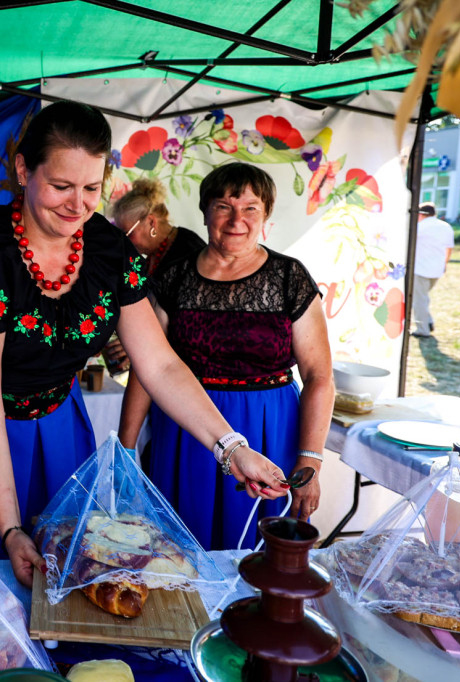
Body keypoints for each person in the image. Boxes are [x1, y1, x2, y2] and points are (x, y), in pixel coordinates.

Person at [0, 102, 289, 587]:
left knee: (67, 559)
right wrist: (11, 529)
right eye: (61, 186)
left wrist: (231, 447)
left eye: (90, 188)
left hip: (55, 416)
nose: (77, 205)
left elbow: (159, 364)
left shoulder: (106, 248)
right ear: (23, 170)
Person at [118, 162, 334, 551]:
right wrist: (126, 450)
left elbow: (319, 376)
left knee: (258, 552)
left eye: (250, 208)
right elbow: (147, 369)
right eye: (223, 206)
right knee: (179, 547)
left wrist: (310, 461)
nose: (237, 220)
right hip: (187, 430)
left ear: (265, 214)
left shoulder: (290, 279)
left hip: (270, 430)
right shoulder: (173, 279)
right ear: (204, 212)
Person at [101, 177, 206, 377]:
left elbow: (187, 321)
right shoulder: (152, 256)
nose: (125, 243)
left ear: (151, 222)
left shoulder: (187, 251)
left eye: (128, 234)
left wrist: (141, 344)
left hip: (186, 370)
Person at [411, 201, 454, 338]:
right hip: (436, 269)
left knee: (419, 300)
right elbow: (449, 248)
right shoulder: (446, 226)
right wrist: (445, 263)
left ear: (421, 214)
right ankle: (428, 321)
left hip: (420, 268)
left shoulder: (419, 227)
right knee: (422, 298)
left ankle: (423, 329)